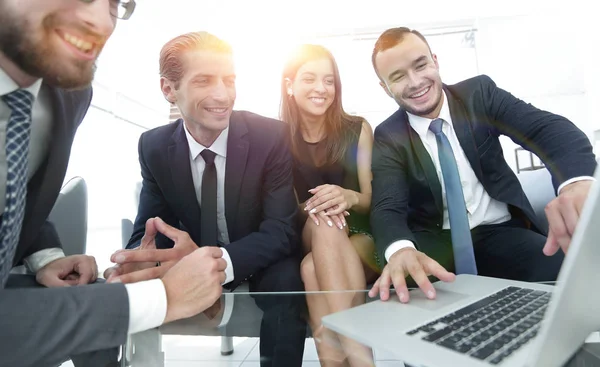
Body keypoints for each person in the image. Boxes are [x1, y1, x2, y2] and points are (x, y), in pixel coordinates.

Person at [0, 1, 226, 366]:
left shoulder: (67, 94)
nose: (101, 21)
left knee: (95, 292)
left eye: (115, 3)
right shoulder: (153, 144)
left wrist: (46, 258)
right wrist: (162, 297)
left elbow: (16, 192)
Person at [104, 31, 307, 367]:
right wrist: (137, 256)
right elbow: (150, 225)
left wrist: (213, 265)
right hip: (190, 254)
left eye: (229, 80)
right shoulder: (153, 147)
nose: (223, 95)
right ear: (168, 89)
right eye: (204, 81)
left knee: (286, 281)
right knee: (127, 281)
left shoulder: (270, 136)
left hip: (259, 255)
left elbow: (282, 231)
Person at [367, 27, 597, 303]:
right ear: (384, 87)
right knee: (412, 308)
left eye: (421, 65)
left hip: (503, 234)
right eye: (398, 76)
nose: (415, 82)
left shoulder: (479, 95)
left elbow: (548, 130)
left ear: (435, 61)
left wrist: (576, 182)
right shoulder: (388, 135)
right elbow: (386, 205)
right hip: (436, 249)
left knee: (576, 274)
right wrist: (400, 249)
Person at [278, 44, 379, 366]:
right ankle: (361, 353)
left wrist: (347, 196)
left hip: (361, 233)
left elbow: (374, 198)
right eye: (309, 79)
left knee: (312, 268)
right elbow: (282, 210)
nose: (321, 88)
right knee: (323, 219)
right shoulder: (277, 138)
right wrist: (315, 205)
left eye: (329, 81)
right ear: (289, 85)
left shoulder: (357, 128)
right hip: (310, 232)